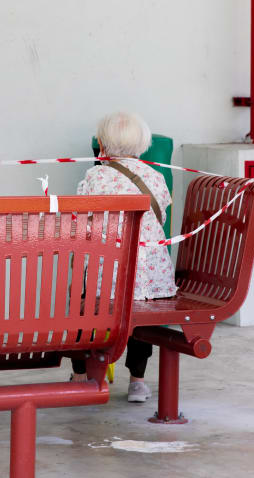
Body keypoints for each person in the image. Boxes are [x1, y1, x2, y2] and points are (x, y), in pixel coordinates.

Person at [71, 112, 177, 403]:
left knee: (82, 303)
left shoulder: (95, 177)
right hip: (150, 278)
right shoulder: (156, 177)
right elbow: (161, 216)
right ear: (143, 144)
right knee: (140, 316)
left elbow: (81, 219)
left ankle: (80, 376)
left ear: (102, 144)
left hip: (106, 278)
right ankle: (137, 382)